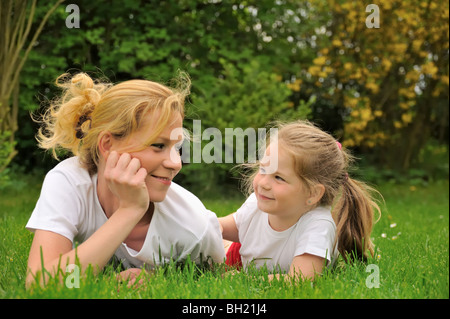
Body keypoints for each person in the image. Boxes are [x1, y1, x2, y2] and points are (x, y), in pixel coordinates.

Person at [26, 72, 224, 288]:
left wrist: (161, 280)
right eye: (158, 145)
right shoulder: (69, 181)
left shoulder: (194, 226)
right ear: (108, 145)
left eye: (177, 147)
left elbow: (216, 281)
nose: (176, 163)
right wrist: (129, 210)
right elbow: (40, 284)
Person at [219, 120, 381, 281]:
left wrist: (244, 279)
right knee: (208, 241)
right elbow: (232, 227)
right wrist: (213, 225)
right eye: (263, 170)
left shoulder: (318, 226)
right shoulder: (258, 202)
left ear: (313, 193)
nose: (263, 183)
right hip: (239, 252)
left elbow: (300, 279)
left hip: (243, 264)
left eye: (278, 177)